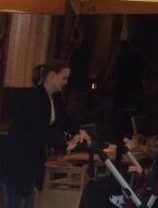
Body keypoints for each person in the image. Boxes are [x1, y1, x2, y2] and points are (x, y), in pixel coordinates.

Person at [2, 59, 91, 208]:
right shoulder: (33, 98)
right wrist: (64, 145)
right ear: (51, 76)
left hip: (32, 159)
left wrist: (79, 131)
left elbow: (64, 120)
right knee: (17, 203)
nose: (66, 82)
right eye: (64, 78)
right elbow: (39, 130)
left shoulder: (55, 98)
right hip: (17, 159)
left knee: (28, 202)